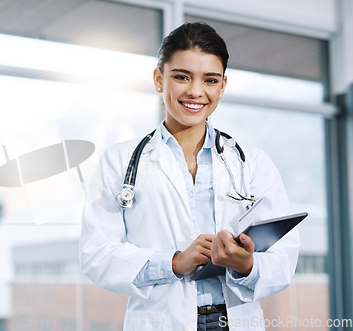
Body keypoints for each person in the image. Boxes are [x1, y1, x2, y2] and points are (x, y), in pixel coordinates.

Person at [79, 22, 299, 331]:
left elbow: (284, 257)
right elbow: (97, 254)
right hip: (161, 320)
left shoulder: (252, 163)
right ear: (159, 79)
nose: (196, 91)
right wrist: (174, 262)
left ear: (222, 86)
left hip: (234, 318)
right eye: (182, 77)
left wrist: (245, 264)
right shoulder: (119, 161)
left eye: (210, 80)